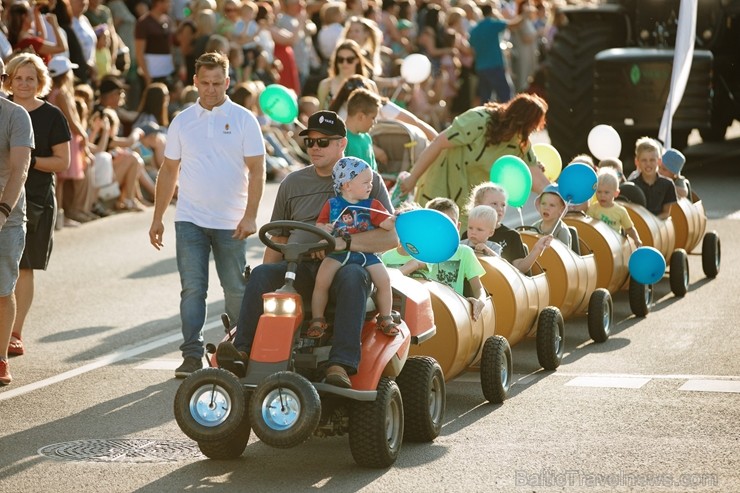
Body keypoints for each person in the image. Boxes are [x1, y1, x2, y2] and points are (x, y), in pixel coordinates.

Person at [216, 110, 397, 389]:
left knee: (352, 277)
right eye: (309, 142)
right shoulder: (292, 183)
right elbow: (279, 239)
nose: (314, 147)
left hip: (347, 267)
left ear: (342, 144)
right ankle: (242, 352)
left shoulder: (365, 180)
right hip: (297, 269)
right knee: (263, 274)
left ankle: (340, 363)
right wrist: (265, 273)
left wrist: (342, 243)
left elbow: (391, 237)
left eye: (323, 142)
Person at [148, 51, 266, 378]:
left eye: (217, 83)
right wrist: (158, 217)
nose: (211, 89)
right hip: (190, 220)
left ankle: (240, 349)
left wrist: (251, 215)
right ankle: (191, 355)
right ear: (195, 81)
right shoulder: (182, 121)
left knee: (235, 290)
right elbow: (169, 170)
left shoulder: (244, 119)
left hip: (232, 222)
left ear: (228, 81)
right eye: (205, 83)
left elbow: (257, 170)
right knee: (192, 290)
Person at [5, 53, 71, 358]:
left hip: (36, 199)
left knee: (24, 265)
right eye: (18, 77)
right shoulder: (5, 112)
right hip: (3, 194)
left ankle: (15, 333)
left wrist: (27, 163)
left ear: (40, 81)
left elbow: (63, 161)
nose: (23, 83)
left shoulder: (52, 116)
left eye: (30, 78)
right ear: (9, 80)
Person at [399, 93, 550, 225]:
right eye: (532, 126)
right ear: (522, 121)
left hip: (469, 203)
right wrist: (413, 177)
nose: (532, 131)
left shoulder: (520, 143)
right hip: (440, 184)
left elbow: (539, 180)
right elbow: (438, 143)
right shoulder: (478, 120)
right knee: (430, 231)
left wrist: (562, 202)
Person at [310, 156, 398, 340]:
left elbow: (386, 225)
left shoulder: (373, 205)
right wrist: (323, 228)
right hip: (338, 253)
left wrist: (393, 219)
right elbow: (320, 224)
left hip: (365, 254)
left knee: (384, 281)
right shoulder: (332, 205)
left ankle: (386, 317)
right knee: (321, 281)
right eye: (365, 182)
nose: (370, 186)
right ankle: (317, 319)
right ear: (347, 185)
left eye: (371, 182)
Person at [0, 56, 35, 385]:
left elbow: (20, 168)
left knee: (1, 286)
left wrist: (2, 211)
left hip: (6, 214)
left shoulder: (15, 115)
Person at [465, 181, 552, 274]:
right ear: (478, 205)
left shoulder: (511, 235)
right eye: (494, 203)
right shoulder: (469, 234)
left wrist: (537, 249)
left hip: (503, 285)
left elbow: (520, 269)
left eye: (503, 205)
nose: (500, 208)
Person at [425, 197, 488, 321]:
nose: (445, 229)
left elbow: (478, 288)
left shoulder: (464, 252)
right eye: (440, 223)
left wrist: (480, 301)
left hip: (454, 315)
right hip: (426, 313)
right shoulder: (420, 252)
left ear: (458, 226)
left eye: (450, 223)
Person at [587, 168, 642, 247]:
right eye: (599, 192)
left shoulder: (620, 211)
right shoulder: (593, 208)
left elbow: (629, 228)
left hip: (615, 245)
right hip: (598, 243)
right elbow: (588, 228)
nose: (602, 195)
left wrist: (636, 239)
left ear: (616, 193)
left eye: (606, 192)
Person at [628, 137, 677, 220]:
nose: (648, 164)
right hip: (639, 224)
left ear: (659, 161)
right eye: (644, 160)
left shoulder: (667, 184)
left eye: (652, 160)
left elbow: (666, 213)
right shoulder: (632, 186)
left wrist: (651, 222)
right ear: (637, 162)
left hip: (659, 225)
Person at [343, 88, 381, 171]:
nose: (375, 122)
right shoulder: (341, 139)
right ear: (361, 116)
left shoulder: (367, 137)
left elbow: (374, 171)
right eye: (373, 118)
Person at [532, 183, 572, 248]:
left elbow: (564, 255)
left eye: (552, 205)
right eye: (543, 203)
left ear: (561, 210)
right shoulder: (534, 227)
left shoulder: (562, 231)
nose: (546, 208)